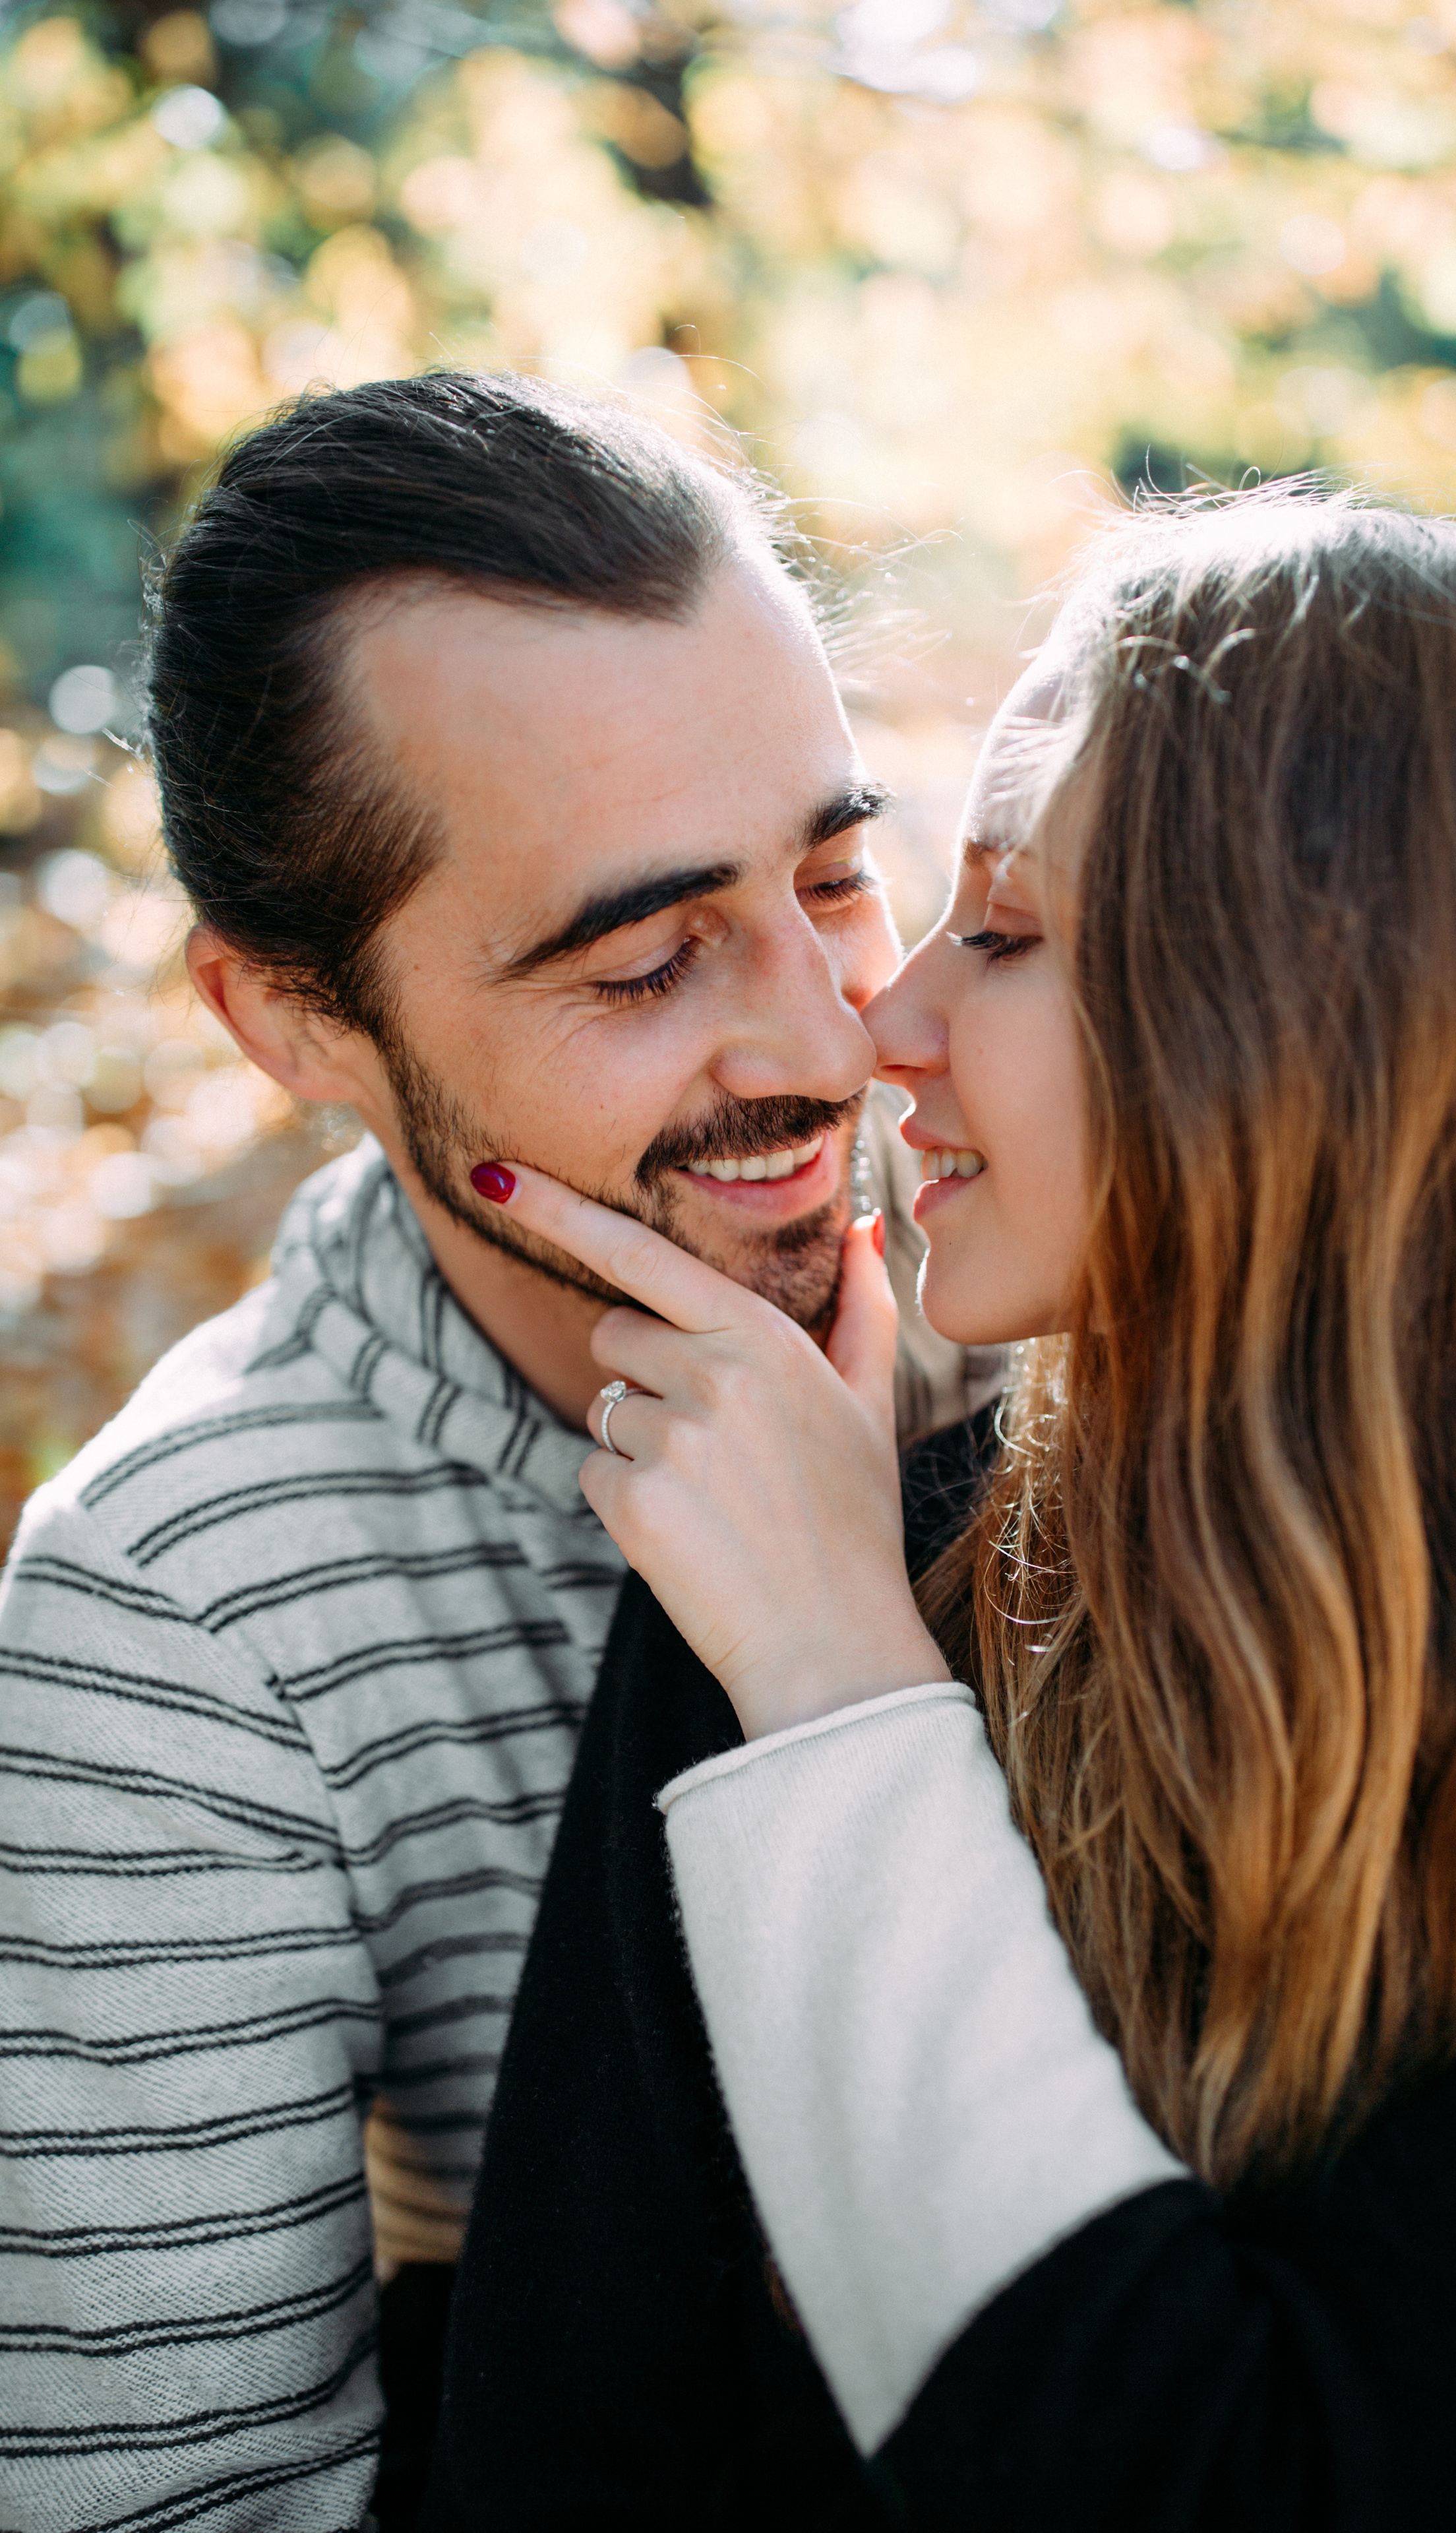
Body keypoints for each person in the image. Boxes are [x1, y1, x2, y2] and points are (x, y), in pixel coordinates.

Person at [429, 493, 1456, 2530]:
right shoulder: (831, 1565)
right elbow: (565, 2464)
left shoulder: (822, 1619)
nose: (872, 1026)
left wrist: (842, 1691)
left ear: (1339, 1038)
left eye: (1001, 932)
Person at [0, 373, 992, 2533]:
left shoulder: (1076, 1274)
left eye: (833, 877)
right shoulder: (179, 1626)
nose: (833, 1042)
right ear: (294, 1027)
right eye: (645, 964)